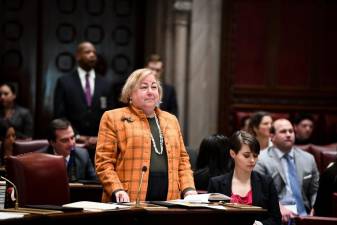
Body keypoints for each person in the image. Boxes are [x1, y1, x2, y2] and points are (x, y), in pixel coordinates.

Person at [95, 68, 196, 203]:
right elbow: (104, 163)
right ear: (130, 93)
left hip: (170, 201)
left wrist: (188, 188)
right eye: (144, 87)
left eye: (154, 87)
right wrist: (116, 189)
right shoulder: (113, 118)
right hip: (127, 199)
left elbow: (183, 161)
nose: (150, 91)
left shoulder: (171, 120)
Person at [208, 131, 281, 225]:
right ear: (233, 154)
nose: (252, 160)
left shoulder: (266, 182)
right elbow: (210, 219)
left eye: (255, 156)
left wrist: (261, 224)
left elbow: (276, 219)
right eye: (246, 155)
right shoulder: (216, 183)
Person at [254, 119, 319, 223]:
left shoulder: (308, 158)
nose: (288, 135)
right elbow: (259, 191)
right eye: (283, 131)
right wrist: (278, 207)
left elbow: (315, 190)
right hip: (277, 212)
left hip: (305, 213)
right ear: (272, 136)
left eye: (291, 131)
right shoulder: (261, 160)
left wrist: (316, 208)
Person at [53, 41, 114, 148]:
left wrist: (101, 136)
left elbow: (111, 114)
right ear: (78, 56)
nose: (92, 55)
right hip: (72, 142)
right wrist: (76, 135)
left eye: (94, 53)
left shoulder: (106, 84)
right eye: (87, 52)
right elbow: (59, 114)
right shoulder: (64, 82)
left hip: (99, 143)